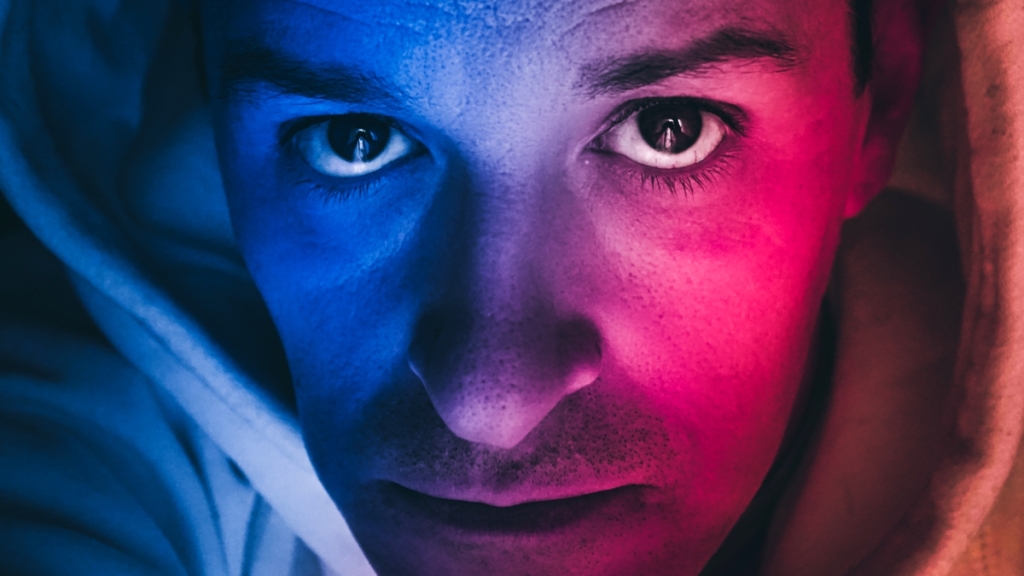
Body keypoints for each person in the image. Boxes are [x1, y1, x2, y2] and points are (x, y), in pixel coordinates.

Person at [1, 0, 1023, 574]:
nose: (489, 402)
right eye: (355, 140)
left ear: (878, 104)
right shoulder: (92, 450)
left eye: (666, 131)